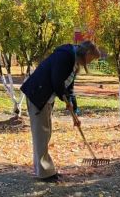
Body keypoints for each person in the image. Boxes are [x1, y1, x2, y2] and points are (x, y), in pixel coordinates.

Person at [20, 41, 101, 182]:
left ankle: (45, 170)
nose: (91, 62)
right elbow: (56, 81)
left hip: (45, 97)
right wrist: (65, 99)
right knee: (41, 134)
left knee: (45, 132)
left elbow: (69, 87)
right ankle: (45, 173)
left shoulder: (74, 61)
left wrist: (74, 108)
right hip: (38, 94)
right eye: (92, 58)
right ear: (87, 53)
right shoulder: (66, 56)